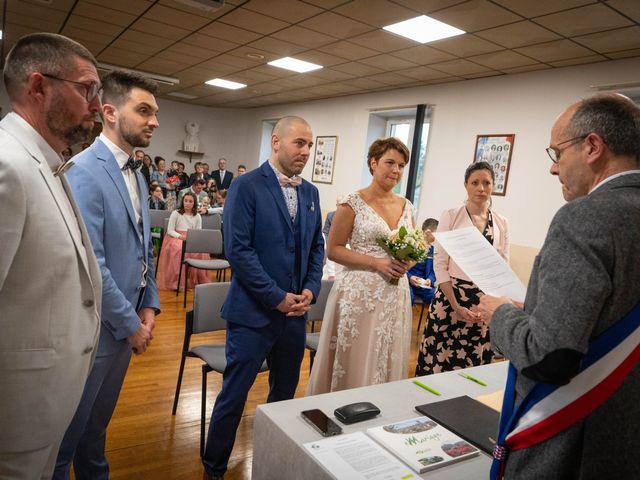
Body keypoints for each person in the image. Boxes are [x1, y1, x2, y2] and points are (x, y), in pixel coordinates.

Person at [476, 94, 640, 480]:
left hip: (570, 439)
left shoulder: (582, 218)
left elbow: (549, 356)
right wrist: (535, 311)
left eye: (557, 153)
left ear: (592, 147)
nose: (554, 169)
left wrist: (499, 315)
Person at [0, 32, 102, 480]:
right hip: (14, 413)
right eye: (86, 89)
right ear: (38, 87)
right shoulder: (8, 164)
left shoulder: (45, 160)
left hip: (43, 405)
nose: (96, 105)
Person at [202, 116, 324, 480]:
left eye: (309, 145)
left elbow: (316, 248)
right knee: (234, 396)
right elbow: (238, 251)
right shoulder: (246, 185)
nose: (305, 151)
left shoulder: (311, 193)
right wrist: (276, 297)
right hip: (254, 313)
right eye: (298, 143)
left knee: (284, 397)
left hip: (295, 316)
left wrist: (310, 290)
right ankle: (214, 468)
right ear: (276, 141)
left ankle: (272, 464)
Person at [54, 70, 160, 479]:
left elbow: (140, 248)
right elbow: (92, 264)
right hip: (95, 329)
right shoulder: (84, 169)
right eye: (144, 110)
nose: (154, 121)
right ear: (110, 112)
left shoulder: (136, 169)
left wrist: (149, 303)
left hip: (127, 324)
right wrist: (132, 323)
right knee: (68, 438)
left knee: (95, 430)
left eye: (155, 112)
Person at [306, 137, 415, 395]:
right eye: (390, 163)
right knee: (356, 358)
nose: (395, 170)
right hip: (359, 293)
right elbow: (333, 250)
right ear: (373, 163)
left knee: (385, 356)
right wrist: (376, 262)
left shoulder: (406, 205)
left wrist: (408, 261)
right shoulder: (352, 202)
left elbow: (411, 247)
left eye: (401, 165)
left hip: (394, 294)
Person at [415, 161, 509, 376]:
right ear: (466, 185)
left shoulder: (502, 223)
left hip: (482, 303)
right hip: (450, 298)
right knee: (439, 361)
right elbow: (440, 264)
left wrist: (488, 304)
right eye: (475, 182)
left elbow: (502, 268)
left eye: (486, 183)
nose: (481, 188)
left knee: (473, 366)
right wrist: (456, 306)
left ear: (493, 186)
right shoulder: (452, 215)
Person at [156, 192, 210, 291]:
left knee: (200, 252)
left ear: (194, 203)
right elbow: (170, 230)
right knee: (179, 249)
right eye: (185, 201)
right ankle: (176, 282)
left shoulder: (197, 216)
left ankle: (193, 281)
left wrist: (191, 237)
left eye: (190, 201)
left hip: (191, 237)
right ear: (182, 201)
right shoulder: (176, 213)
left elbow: (198, 231)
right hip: (176, 237)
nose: (187, 203)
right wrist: (180, 236)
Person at [407, 218, 438, 305]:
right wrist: (410, 277)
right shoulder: (411, 244)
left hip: (422, 285)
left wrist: (430, 280)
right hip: (408, 281)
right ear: (428, 232)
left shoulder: (431, 249)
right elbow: (401, 266)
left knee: (438, 296)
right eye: (437, 234)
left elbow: (432, 271)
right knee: (409, 297)